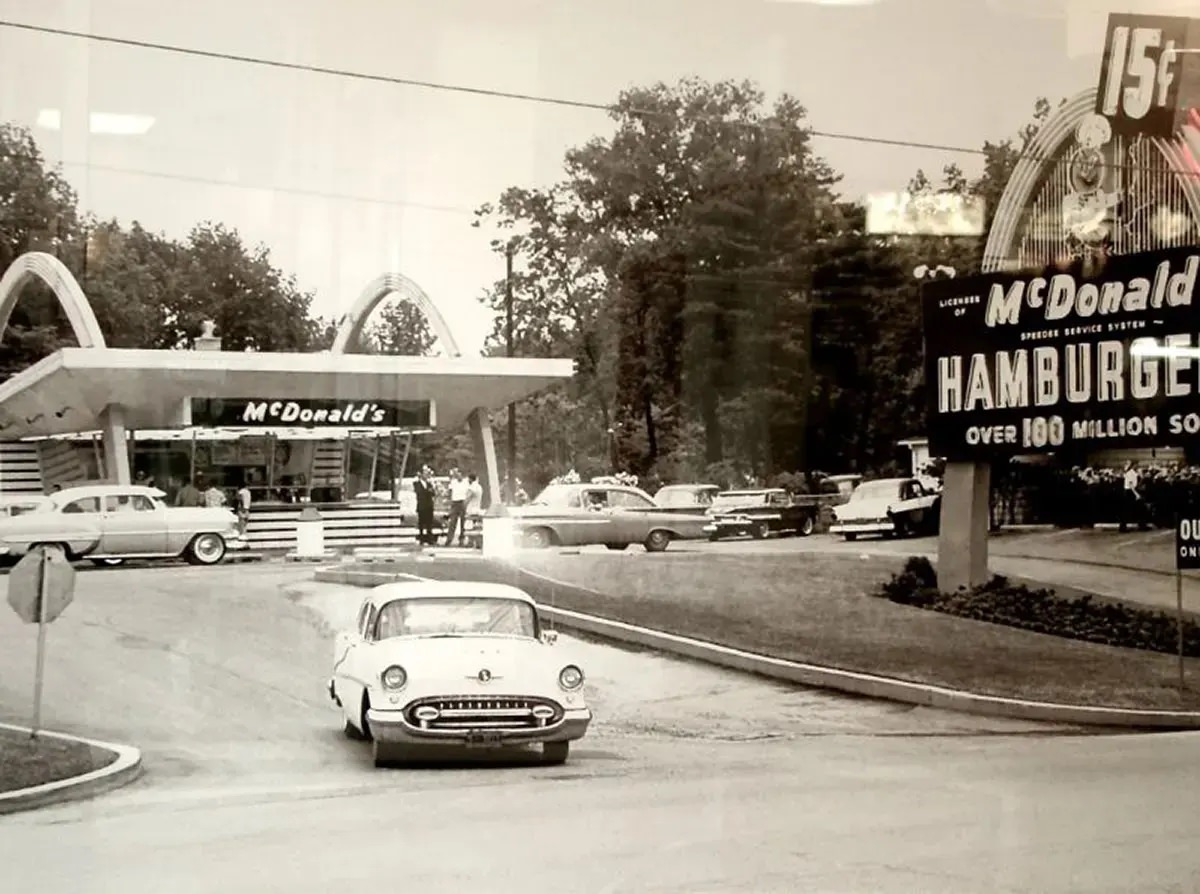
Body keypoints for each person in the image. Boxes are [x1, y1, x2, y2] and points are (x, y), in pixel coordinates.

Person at [1119, 460, 1150, 532]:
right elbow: (1130, 485)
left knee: (1140, 508)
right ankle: (1123, 527)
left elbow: (1136, 484)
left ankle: (1142, 525)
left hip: (1132, 491)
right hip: (1129, 492)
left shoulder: (1134, 473)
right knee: (1127, 510)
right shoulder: (1130, 473)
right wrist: (1136, 494)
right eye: (1137, 465)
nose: (1138, 466)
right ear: (1133, 465)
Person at [445, 469, 470, 546]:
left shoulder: (466, 482)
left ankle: (461, 539)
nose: (458, 476)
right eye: (457, 475)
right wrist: (449, 501)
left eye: (460, 475)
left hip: (462, 502)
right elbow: (450, 491)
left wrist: (466, 502)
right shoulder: (453, 482)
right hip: (455, 502)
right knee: (452, 522)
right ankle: (449, 539)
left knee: (463, 522)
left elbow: (468, 492)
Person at [413, 466, 437, 546]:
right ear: (421, 475)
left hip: (429, 506)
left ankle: (430, 539)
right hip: (422, 506)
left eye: (427, 474)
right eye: (425, 474)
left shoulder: (429, 483)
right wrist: (428, 491)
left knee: (429, 523)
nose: (426, 475)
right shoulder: (417, 484)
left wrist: (431, 489)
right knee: (421, 523)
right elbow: (420, 493)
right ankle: (421, 539)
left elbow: (433, 493)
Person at [465, 473, 484, 542]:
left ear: (470, 479)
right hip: (477, 508)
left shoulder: (472, 487)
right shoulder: (479, 487)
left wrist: (463, 507)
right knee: (476, 526)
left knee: (468, 526)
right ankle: (478, 541)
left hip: (471, 509)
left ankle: (470, 541)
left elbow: (467, 498)